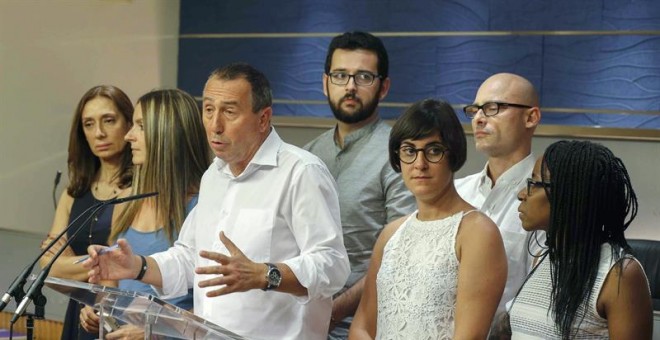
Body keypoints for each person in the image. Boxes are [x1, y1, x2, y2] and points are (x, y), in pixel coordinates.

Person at [84, 63, 350, 339]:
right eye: (209, 110)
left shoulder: (300, 172)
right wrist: (138, 266)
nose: (215, 125)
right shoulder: (214, 175)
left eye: (229, 112)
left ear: (263, 118)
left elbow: (333, 265)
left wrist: (265, 274)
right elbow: (191, 258)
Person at [349, 99, 507, 339]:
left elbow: (469, 336)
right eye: (409, 151)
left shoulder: (477, 232)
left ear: (453, 154)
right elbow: (361, 326)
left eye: (433, 150)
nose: (419, 164)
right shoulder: (391, 234)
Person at [304, 31, 415, 338]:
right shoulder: (309, 154)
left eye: (364, 77)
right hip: (303, 318)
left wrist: (335, 311)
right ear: (325, 82)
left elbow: (399, 256)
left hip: (365, 325)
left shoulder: (400, 154)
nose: (350, 86)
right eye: (341, 75)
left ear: (383, 87)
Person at [78, 89, 210, 339]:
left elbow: (214, 307)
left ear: (166, 134)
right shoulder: (126, 202)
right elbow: (111, 284)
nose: (129, 136)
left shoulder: (201, 209)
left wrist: (155, 331)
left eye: (140, 126)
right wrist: (97, 308)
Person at [510, 140, 652, 338]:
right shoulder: (543, 258)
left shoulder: (619, 275)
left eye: (534, 183)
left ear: (570, 194)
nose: (522, 194)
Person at [39, 85, 133, 340]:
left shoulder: (138, 190)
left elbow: (125, 263)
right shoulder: (73, 192)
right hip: (78, 313)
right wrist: (104, 262)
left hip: (120, 318)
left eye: (109, 121)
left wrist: (69, 264)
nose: (99, 133)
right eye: (89, 124)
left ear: (129, 124)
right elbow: (49, 267)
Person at [455, 73, 543, 320]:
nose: (479, 118)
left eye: (493, 108)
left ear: (531, 117)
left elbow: (540, 295)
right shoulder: (456, 191)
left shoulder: (547, 200)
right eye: (475, 110)